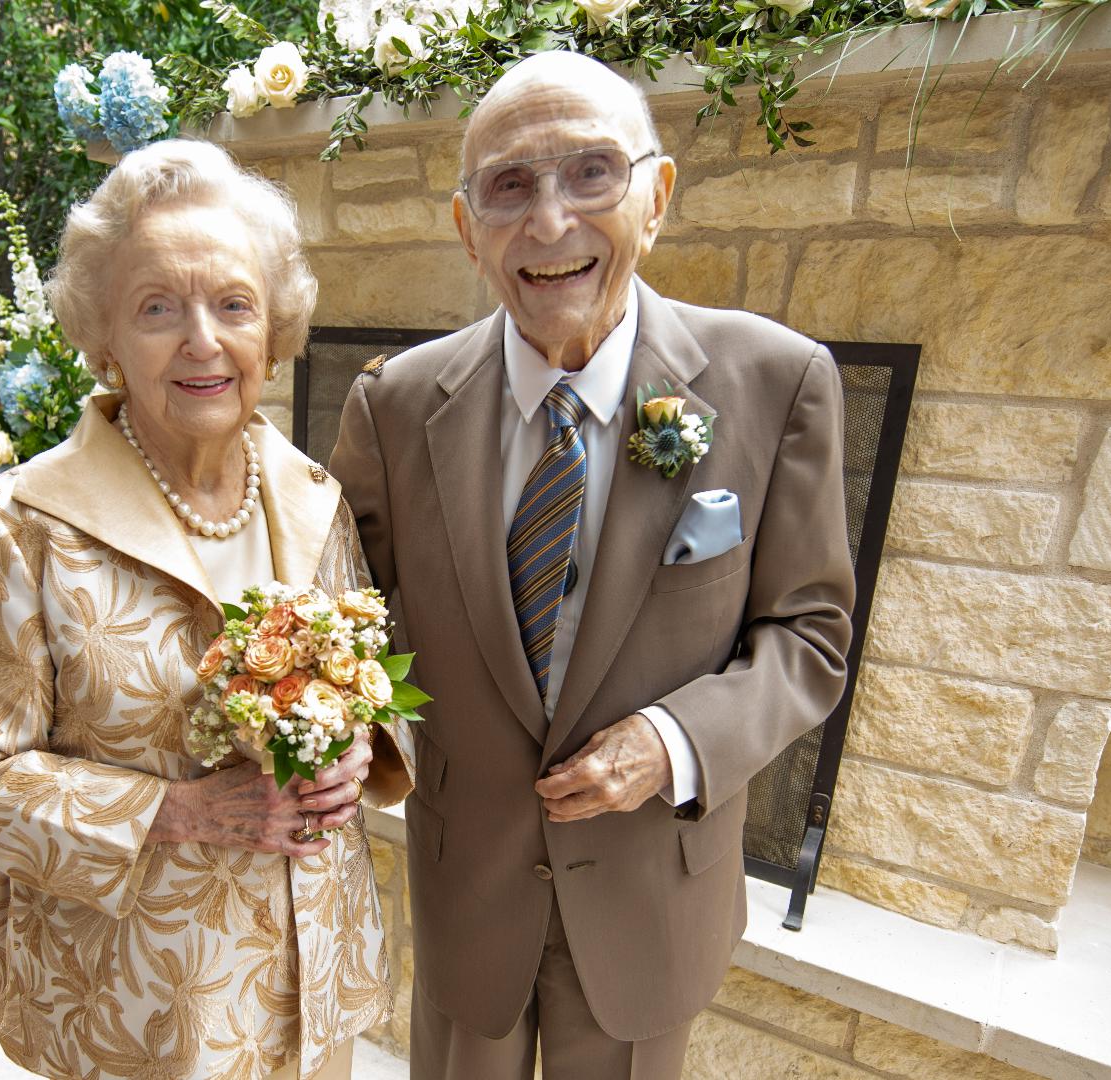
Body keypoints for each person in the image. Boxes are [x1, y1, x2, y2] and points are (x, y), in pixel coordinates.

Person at [328, 51, 855, 1080]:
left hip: (654, 891)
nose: (551, 222)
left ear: (656, 198)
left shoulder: (778, 382)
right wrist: (349, 742)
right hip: (467, 887)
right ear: (467, 226)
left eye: (592, 173)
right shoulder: (393, 405)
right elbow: (347, 622)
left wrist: (673, 741)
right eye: (510, 186)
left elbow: (811, 636)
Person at [0, 138, 413, 1080]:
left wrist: (360, 747)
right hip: (133, 1008)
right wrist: (172, 812)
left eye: (233, 304)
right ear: (104, 338)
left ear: (274, 330)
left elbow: (365, 684)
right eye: (157, 308)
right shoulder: (24, 525)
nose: (203, 340)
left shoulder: (311, 496)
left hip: (311, 987)